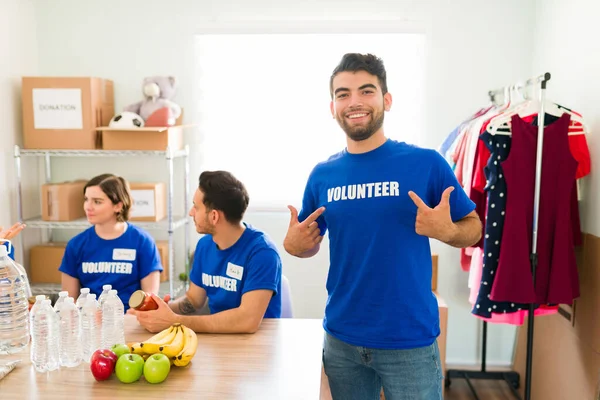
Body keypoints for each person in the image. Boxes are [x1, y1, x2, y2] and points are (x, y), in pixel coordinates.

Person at [283, 53, 482, 400]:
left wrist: (448, 231)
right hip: (342, 339)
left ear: (386, 100)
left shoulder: (426, 164)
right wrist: (294, 246)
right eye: (343, 94)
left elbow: (474, 227)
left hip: (409, 341)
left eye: (366, 91)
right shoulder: (322, 176)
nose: (354, 101)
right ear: (332, 107)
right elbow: (308, 241)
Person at [129, 170, 282, 333]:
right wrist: (163, 309)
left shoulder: (262, 253)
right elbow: (194, 300)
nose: (191, 213)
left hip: (258, 343)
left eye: (196, 206)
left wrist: (175, 321)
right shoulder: (205, 245)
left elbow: (247, 321)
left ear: (214, 216)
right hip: (218, 338)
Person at [59, 174, 162, 310]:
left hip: (132, 320)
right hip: (89, 322)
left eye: (97, 201)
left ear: (118, 206)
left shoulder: (142, 242)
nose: (88, 207)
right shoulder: (76, 245)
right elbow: (69, 303)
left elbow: (149, 301)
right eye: (86, 200)